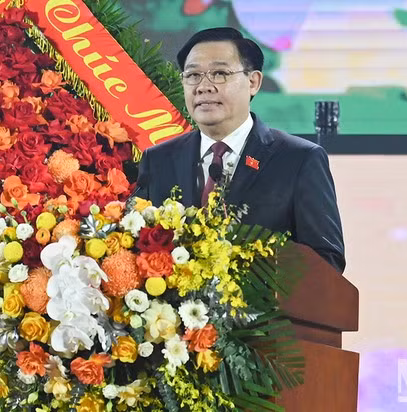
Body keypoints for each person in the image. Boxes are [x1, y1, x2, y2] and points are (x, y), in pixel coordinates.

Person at [133, 27, 346, 273]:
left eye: (220, 74)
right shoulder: (158, 159)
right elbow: (136, 241)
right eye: (193, 75)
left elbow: (327, 259)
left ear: (253, 82)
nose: (203, 87)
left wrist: (254, 280)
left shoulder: (299, 159)